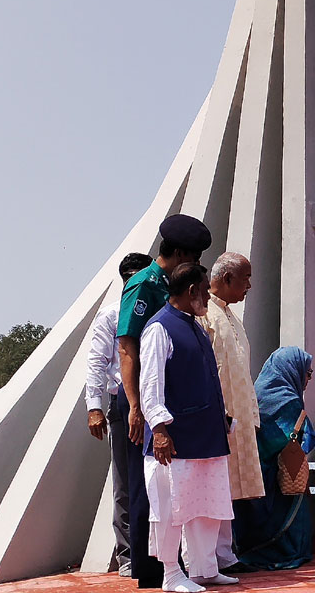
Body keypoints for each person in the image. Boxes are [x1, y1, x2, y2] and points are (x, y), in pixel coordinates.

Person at [119, 214, 212, 588]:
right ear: (176, 253)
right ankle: (152, 569)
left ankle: (181, 565)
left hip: (169, 401)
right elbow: (128, 348)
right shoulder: (144, 285)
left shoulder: (174, 285)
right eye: (190, 257)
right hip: (143, 400)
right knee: (149, 488)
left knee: (176, 486)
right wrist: (136, 407)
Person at [139, 263, 237, 592]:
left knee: (206, 506)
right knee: (170, 509)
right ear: (192, 291)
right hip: (175, 440)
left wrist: (222, 417)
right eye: (205, 291)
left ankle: (204, 568)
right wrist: (160, 430)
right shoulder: (159, 329)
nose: (208, 297)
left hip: (205, 437)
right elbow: (150, 385)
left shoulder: (195, 326)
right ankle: (170, 574)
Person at [84, 252, 153, 576]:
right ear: (127, 281)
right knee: (126, 484)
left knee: (155, 482)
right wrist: (94, 408)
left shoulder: (155, 313)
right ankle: (128, 556)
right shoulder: (110, 316)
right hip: (121, 405)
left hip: (154, 404)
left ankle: (157, 552)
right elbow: (97, 363)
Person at [199, 252, 263, 572]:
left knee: (225, 486)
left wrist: (250, 411)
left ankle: (225, 555)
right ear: (226, 279)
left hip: (234, 417)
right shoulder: (204, 315)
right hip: (214, 417)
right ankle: (207, 559)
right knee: (211, 486)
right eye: (245, 278)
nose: (249, 285)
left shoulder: (229, 316)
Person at [232, 347, 315, 571]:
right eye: (306, 373)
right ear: (292, 371)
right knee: (293, 497)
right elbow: (296, 439)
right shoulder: (288, 401)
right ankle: (288, 552)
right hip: (275, 477)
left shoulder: (256, 393)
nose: (308, 380)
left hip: (251, 474)